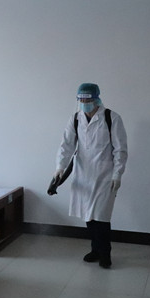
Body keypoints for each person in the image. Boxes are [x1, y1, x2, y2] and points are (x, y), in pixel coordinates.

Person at [49, 83, 128, 268]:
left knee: (101, 217)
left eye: (88, 99)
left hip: (104, 175)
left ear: (97, 98)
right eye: (81, 100)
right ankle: (95, 249)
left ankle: (105, 253)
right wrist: (60, 167)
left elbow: (120, 149)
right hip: (82, 174)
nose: (84, 103)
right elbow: (66, 145)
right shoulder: (75, 119)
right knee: (88, 216)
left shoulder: (111, 118)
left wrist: (117, 174)